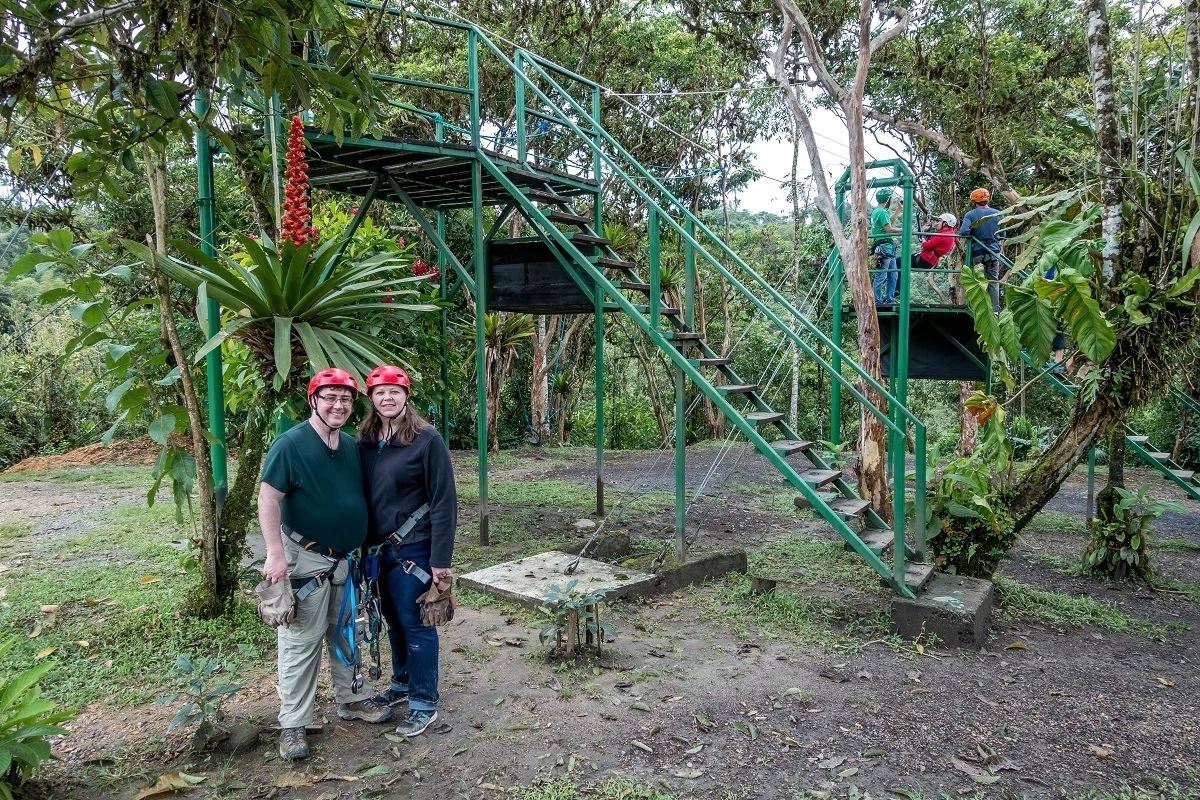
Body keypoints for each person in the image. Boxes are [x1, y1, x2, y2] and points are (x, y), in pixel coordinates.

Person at [258, 367, 394, 761]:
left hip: (345, 561)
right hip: (306, 561)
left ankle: (352, 699)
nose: (338, 405)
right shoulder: (291, 444)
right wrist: (274, 552)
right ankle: (293, 723)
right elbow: (268, 499)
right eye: (330, 397)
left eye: (346, 399)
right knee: (301, 642)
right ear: (313, 400)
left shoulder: (350, 446)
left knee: (346, 632)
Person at [358, 365, 457, 738]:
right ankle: (401, 683)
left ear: (406, 395)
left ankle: (424, 701)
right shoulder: (367, 440)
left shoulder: (426, 440)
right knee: (393, 621)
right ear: (371, 398)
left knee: (417, 625)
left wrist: (440, 562)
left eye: (394, 392)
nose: (387, 398)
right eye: (380, 392)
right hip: (377, 552)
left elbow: (444, 502)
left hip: (413, 550)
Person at [959, 188, 1006, 312]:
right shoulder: (998, 214)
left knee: (979, 280)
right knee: (993, 281)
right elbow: (1003, 235)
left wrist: (974, 233)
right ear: (988, 199)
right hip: (994, 252)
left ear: (973, 200)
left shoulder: (970, 215)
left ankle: (979, 309)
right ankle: (995, 310)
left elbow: (964, 231)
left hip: (978, 252)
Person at [870, 189, 904, 305]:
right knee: (883, 274)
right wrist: (904, 230)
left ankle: (888, 299)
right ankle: (878, 300)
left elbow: (888, 223)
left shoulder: (877, 211)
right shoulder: (882, 212)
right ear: (888, 199)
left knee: (893, 274)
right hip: (885, 246)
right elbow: (888, 229)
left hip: (885, 246)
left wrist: (899, 210)